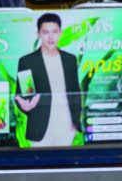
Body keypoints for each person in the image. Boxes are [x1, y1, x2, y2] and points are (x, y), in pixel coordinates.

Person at [15, 12, 81, 147]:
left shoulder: (70, 60)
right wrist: (26, 107)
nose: (50, 37)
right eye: (45, 32)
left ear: (60, 33)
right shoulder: (28, 61)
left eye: (55, 32)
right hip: (40, 128)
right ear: (38, 33)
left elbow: (75, 91)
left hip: (67, 127)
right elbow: (22, 94)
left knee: (64, 166)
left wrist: (75, 122)